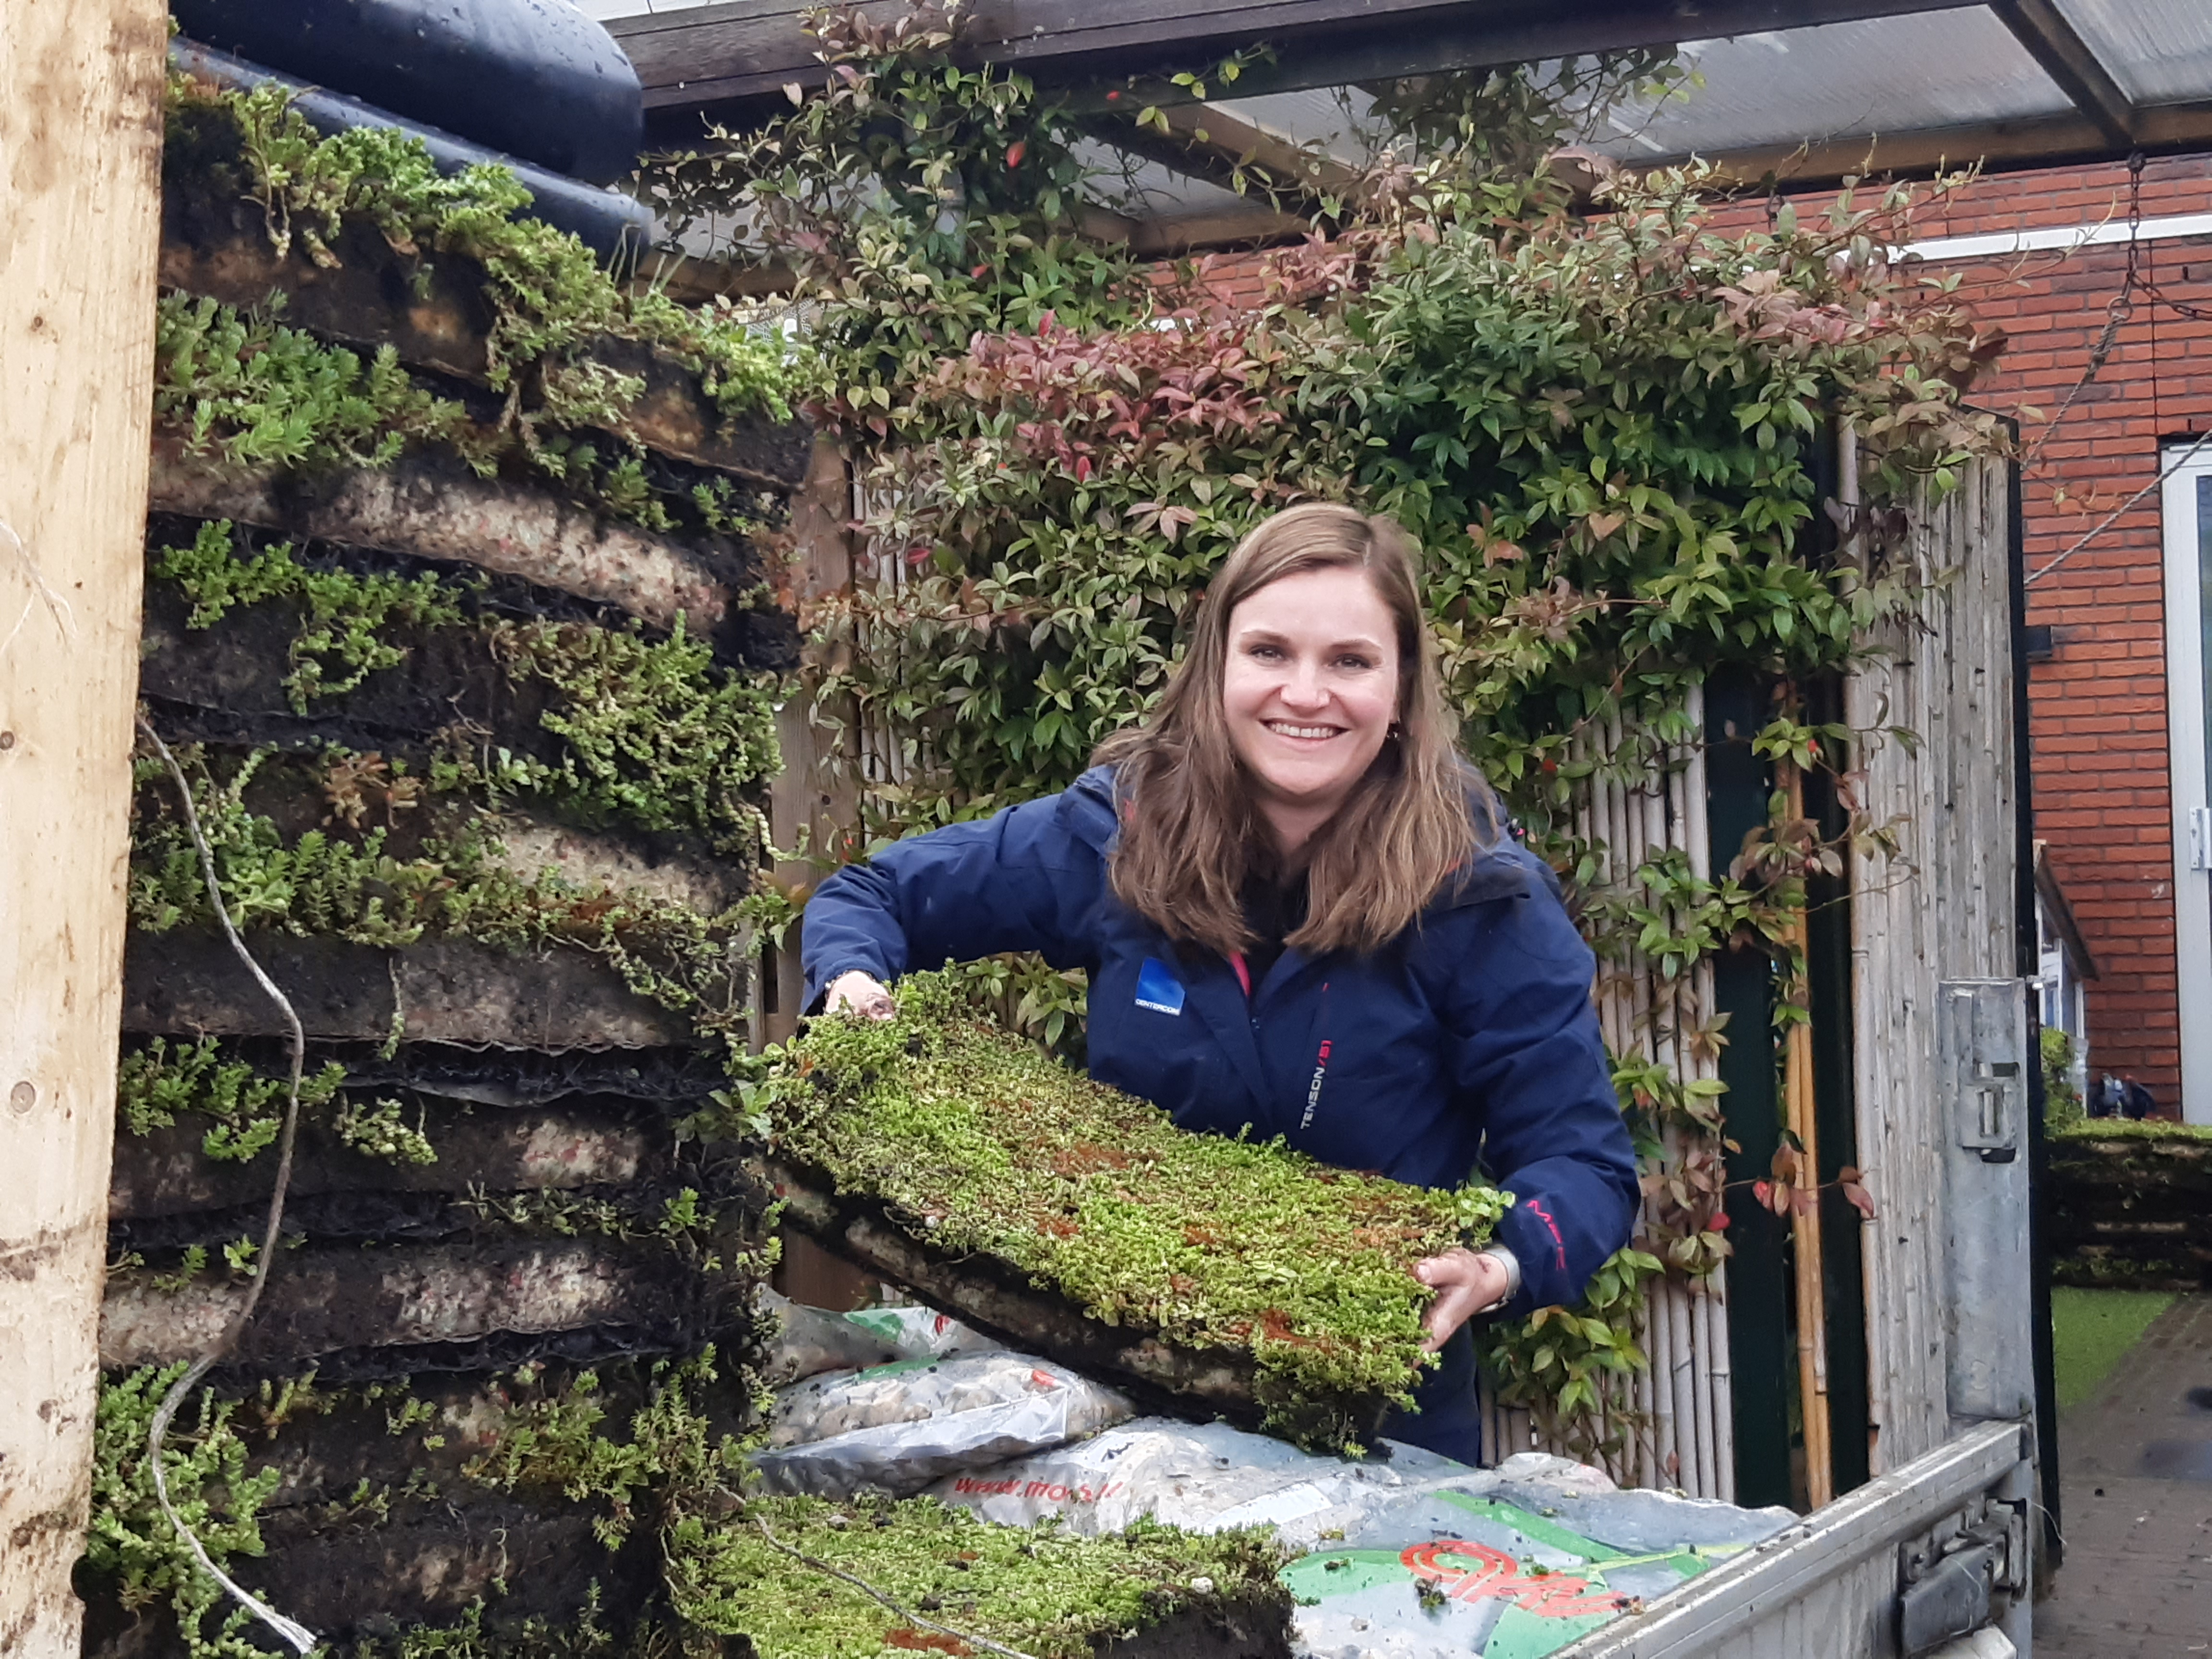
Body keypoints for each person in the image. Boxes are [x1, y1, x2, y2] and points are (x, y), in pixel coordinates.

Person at [799, 502, 1639, 1463]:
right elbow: (872, 896)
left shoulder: (1479, 896)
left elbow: (1587, 1169)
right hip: (1120, 1398)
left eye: (1351, 662)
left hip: (1372, 1424)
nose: (1306, 693)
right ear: (1217, 672)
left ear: (1402, 691)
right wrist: (854, 985)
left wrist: (1501, 1263)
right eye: (1270, 652)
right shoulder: (1121, 834)